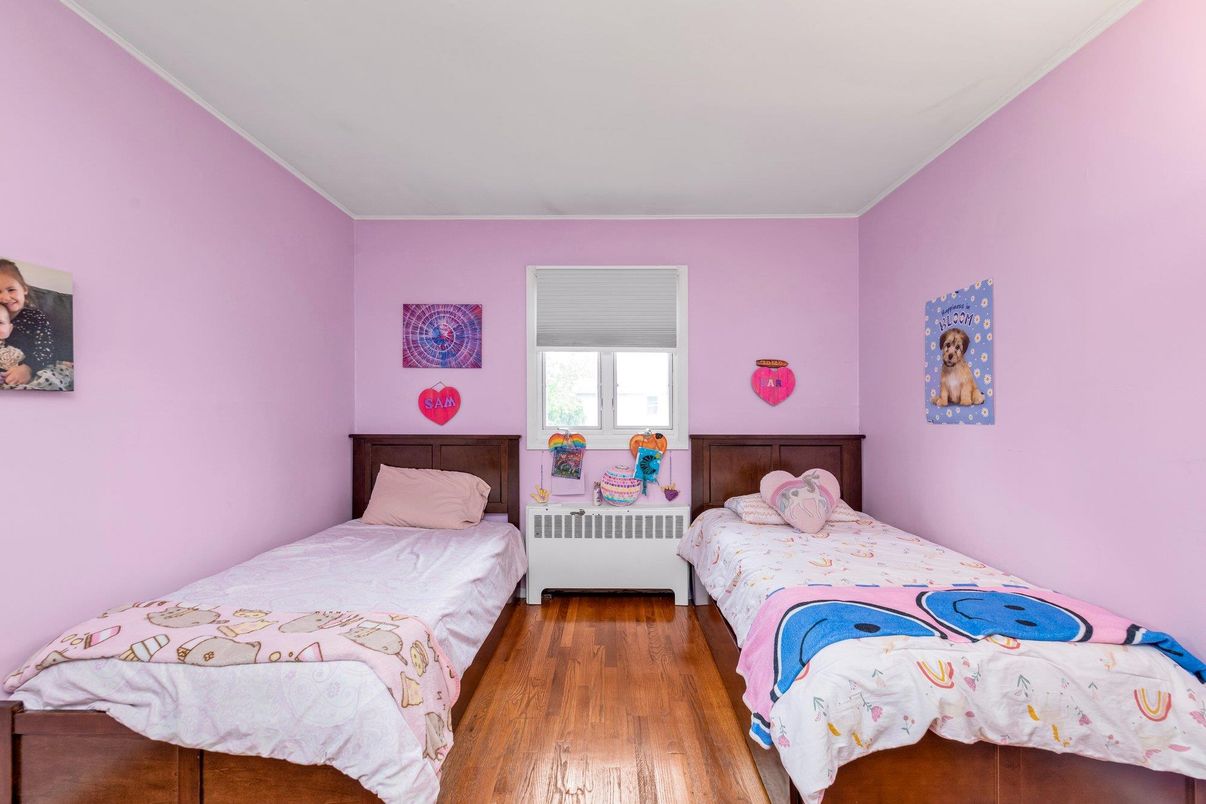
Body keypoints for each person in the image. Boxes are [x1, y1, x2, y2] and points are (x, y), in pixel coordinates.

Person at [0, 259, 55, 387]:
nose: (5, 297)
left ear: (24, 289)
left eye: (11, 289)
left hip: (28, 370)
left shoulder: (35, 317)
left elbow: (45, 348)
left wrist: (28, 368)